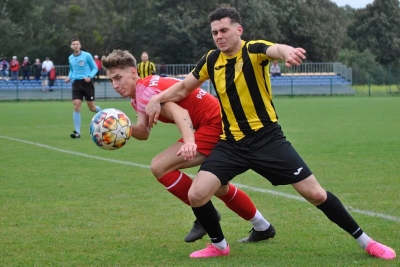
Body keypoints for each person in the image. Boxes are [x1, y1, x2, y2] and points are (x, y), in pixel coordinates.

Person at [145, 7, 396, 260]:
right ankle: (219, 246)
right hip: (231, 144)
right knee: (196, 194)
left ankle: (367, 242)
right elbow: (183, 88)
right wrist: (159, 98)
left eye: (224, 30)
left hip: (268, 140)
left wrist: (289, 52)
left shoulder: (252, 50)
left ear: (238, 30)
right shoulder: (211, 60)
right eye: (214, 32)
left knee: (315, 194)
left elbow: (275, 49)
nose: (219, 36)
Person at [101, 49, 275, 244]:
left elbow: (180, 112)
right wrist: (120, 127)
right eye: (111, 80)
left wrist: (190, 141)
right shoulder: (142, 92)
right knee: (220, 188)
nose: (115, 85)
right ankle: (263, 227)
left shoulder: (146, 92)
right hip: (220, 120)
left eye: (118, 78)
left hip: (214, 123)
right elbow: (143, 131)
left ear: (133, 72)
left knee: (160, 166)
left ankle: (203, 215)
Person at [65, 38, 101, 139]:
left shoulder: (87, 55)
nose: (75, 45)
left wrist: (90, 76)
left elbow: (95, 68)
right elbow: (72, 70)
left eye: (77, 44)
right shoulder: (70, 58)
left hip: (87, 83)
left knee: (92, 107)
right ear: (71, 46)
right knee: (76, 106)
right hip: (76, 83)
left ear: (80, 46)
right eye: (73, 44)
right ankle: (77, 132)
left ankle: (103, 113)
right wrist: (69, 77)